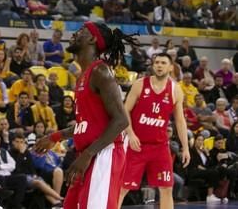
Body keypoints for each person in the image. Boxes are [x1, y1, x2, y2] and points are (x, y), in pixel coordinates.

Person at [35, 21, 134, 209]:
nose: (74, 34)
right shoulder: (84, 75)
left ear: (92, 38)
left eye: (81, 31)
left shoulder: (100, 71)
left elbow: (121, 120)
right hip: (89, 152)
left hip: (104, 153)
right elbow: (87, 125)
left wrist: (88, 154)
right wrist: (55, 137)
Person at [119, 53, 190, 208]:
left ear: (171, 67)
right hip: (136, 145)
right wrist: (130, 134)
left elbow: (180, 121)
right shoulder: (140, 84)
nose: (159, 65)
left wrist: (185, 148)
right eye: (156, 62)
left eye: (163, 63)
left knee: (166, 188)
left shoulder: (175, 90)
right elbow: (125, 111)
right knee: (123, 187)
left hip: (160, 147)